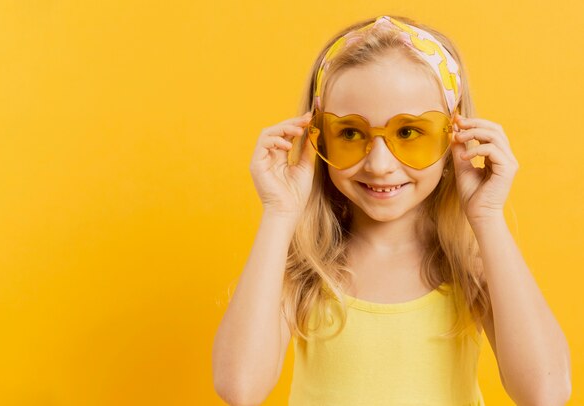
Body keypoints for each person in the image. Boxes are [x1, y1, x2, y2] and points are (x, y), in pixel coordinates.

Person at [212, 15, 571, 406]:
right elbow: (239, 388)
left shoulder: (469, 266)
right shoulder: (306, 268)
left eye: (408, 132)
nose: (380, 164)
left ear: (454, 137)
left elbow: (546, 392)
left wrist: (487, 216)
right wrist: (279, 212)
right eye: (351, 133)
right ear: (320, 138)